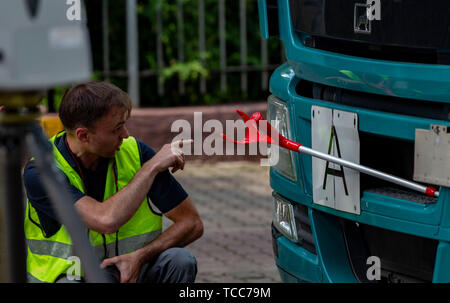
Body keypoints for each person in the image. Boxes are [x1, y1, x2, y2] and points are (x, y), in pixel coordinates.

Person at [23, 81, 203, 283]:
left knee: (180, 261)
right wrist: (151, 167)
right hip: (73, 276)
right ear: (84, 135)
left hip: (131, 270)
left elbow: (192, 223)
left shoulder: (134, 152)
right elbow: (105, 220)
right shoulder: (41, 171)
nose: (125, 135)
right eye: (117, 128)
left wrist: (140, 257)